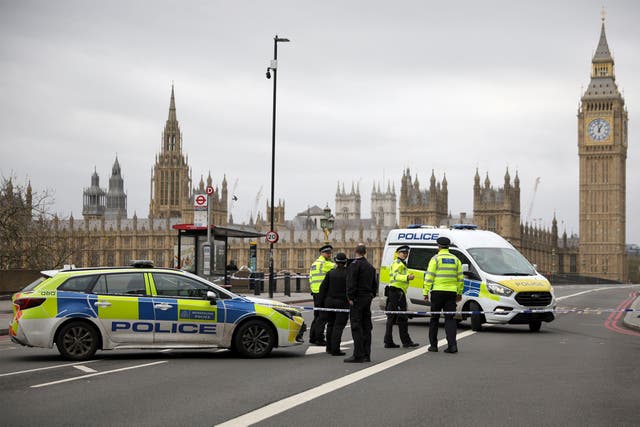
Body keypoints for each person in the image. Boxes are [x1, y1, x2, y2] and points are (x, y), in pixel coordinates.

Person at [423, 236, 464, 353]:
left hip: (437, 292)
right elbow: (460, 278)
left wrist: (425, 292)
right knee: (450, 319)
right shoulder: (456, 259)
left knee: (434, 318)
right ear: (448, 246)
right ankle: (452, 346)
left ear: (438, 246)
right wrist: (459, 292)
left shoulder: (435, 259)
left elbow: (429, 276)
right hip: (451, 292)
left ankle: (433, 345)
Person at [344, 244, 378, 363]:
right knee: (366, 327)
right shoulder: (370, 267)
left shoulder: (354, 265)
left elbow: (351, 283)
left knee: (356, 326)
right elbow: (375, 284)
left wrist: (350, 297)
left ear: (355, 252)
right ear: (366, 252)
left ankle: (358, 355)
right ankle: (367, 355)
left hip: (357, 299)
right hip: (367, 298)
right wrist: (371, 295)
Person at [384, 245, 419, 349]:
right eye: (403, 253)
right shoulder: (397, 263)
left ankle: (388, 341)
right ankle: (406, 341)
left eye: (406, 253)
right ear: (398, 253)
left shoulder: (401, 264)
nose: (405, 255)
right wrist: (407, 277)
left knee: (391, 317)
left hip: (394, 292)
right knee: (402, 317)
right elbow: (395, 276)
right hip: (397, 293)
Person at [318, 252, 350, 356]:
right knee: (338, 326)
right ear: (345, 262)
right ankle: (335, 349)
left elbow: (322, 288)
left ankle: (329, 347)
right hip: (342, 303)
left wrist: (321, 303)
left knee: (330, 325)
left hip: (329, 302)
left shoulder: (330, 273)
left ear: (336, 262)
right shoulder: (348, 274)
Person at [308, 244, 335, 345]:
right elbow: (338, 265)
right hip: (322, 294)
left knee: (317, 316)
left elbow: (310, 278)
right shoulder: (324, 264)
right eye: (328, 253)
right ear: (322, 253)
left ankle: (312, 337)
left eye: (330, 253)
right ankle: (319, 338)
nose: (329, 255)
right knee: (323, 317)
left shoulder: (314, 263)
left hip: (315, 293)